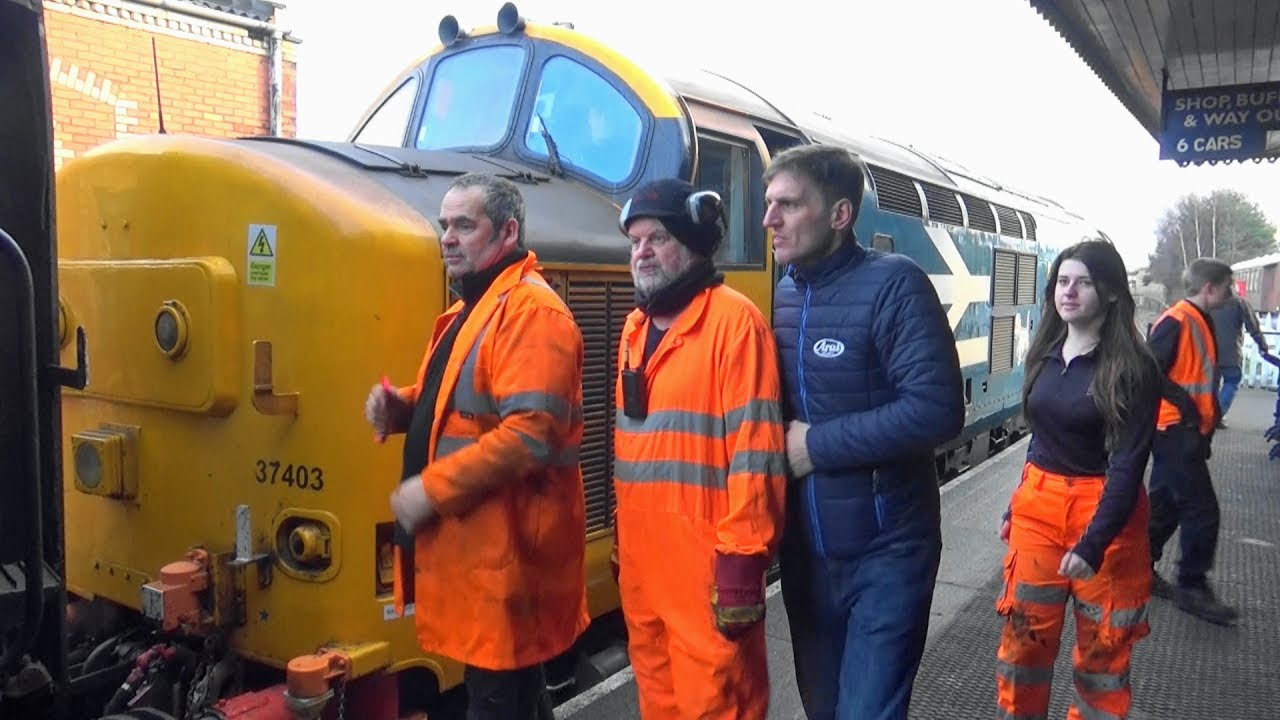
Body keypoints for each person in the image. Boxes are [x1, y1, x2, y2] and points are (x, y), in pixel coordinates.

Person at [364, 172, 589, 719]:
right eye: (445, 225)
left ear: (507, 231)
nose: (447, 237)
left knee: (495, 702)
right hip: (486, 558)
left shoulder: (531, 313)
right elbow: (466, 399)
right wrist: (405, 408)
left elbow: (528, 436)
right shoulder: (478, 307)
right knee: (515, 696)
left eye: (465, 225)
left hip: (509, 560)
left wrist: (430, 491)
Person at [763, 144, 965, 720]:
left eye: (789, 205)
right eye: (769, 203)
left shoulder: (895, 286)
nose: (770, 219)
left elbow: (935, 410)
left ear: (840, 214)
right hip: (808, 558)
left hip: (888, 554)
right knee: (823, 710)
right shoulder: (784, 296)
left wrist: (813, 445)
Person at [612, 178, 788, 719]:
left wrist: (742, 559)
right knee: (658, 704)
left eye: (657, 237)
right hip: (645, 570)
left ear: (691, 244)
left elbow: (756, 454)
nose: (641, 251)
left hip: (707, 571)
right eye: (635, 240)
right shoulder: (635, 329)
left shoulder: (735, 324)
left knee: (718, 704)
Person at [994, 240, 1160, 720]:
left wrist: (1092, 544)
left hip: (1107, 513)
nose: (1069, 291)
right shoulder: (1045, 353)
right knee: (1023, 644)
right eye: (1062, 281)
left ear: (1109, 293)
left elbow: (1128, 465)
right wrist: (1016, 503)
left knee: (1102, 655)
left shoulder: (1132, 367)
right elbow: (1040, 438)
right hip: (1039, 508)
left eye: (1083, 282)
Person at [1147, 257, 1238, 625]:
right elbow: (1149, 370)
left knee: (1167, 504)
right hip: (1174, 431)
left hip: (1185, 431)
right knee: (1202, 511)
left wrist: (1207, 417)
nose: (1231, 292)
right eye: (1228, 286)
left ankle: (1140, 567)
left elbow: (1195, 374)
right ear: (1210, 288)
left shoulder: (1197, 319)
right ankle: (1192, 586)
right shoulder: (1178, 320)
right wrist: (1186, 408)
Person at [1208, 286, 1268, 428]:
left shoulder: (1209, 303)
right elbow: (1253, 326)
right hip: (1231, 353)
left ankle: (1210, 415)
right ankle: (1217, 416)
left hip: (1209, 353)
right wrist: (1262, 345)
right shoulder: (1239, 303)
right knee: (1231, 382)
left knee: (1212, 386)